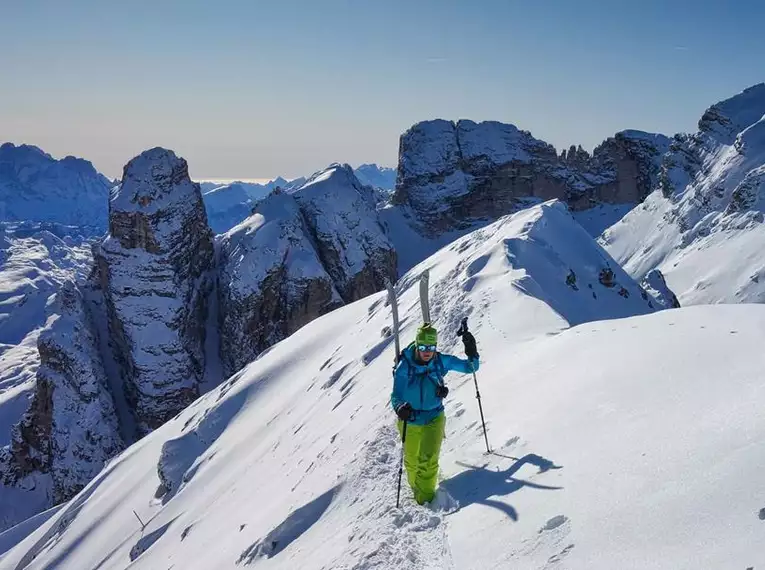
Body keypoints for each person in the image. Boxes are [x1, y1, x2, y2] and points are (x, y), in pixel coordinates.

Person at [390, 322, 479, 505]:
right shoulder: (404, 367)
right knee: (412, 461)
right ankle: (416, 489)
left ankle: (426, 500)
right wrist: (400, 408)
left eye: (431, 347)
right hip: (411, 420)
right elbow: (395, 395)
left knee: (428, 460)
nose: (427, 351)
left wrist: (472, 350)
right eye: (422, 347)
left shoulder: (439, 361)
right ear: (416, 344)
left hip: (434, 417)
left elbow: (470, 367)